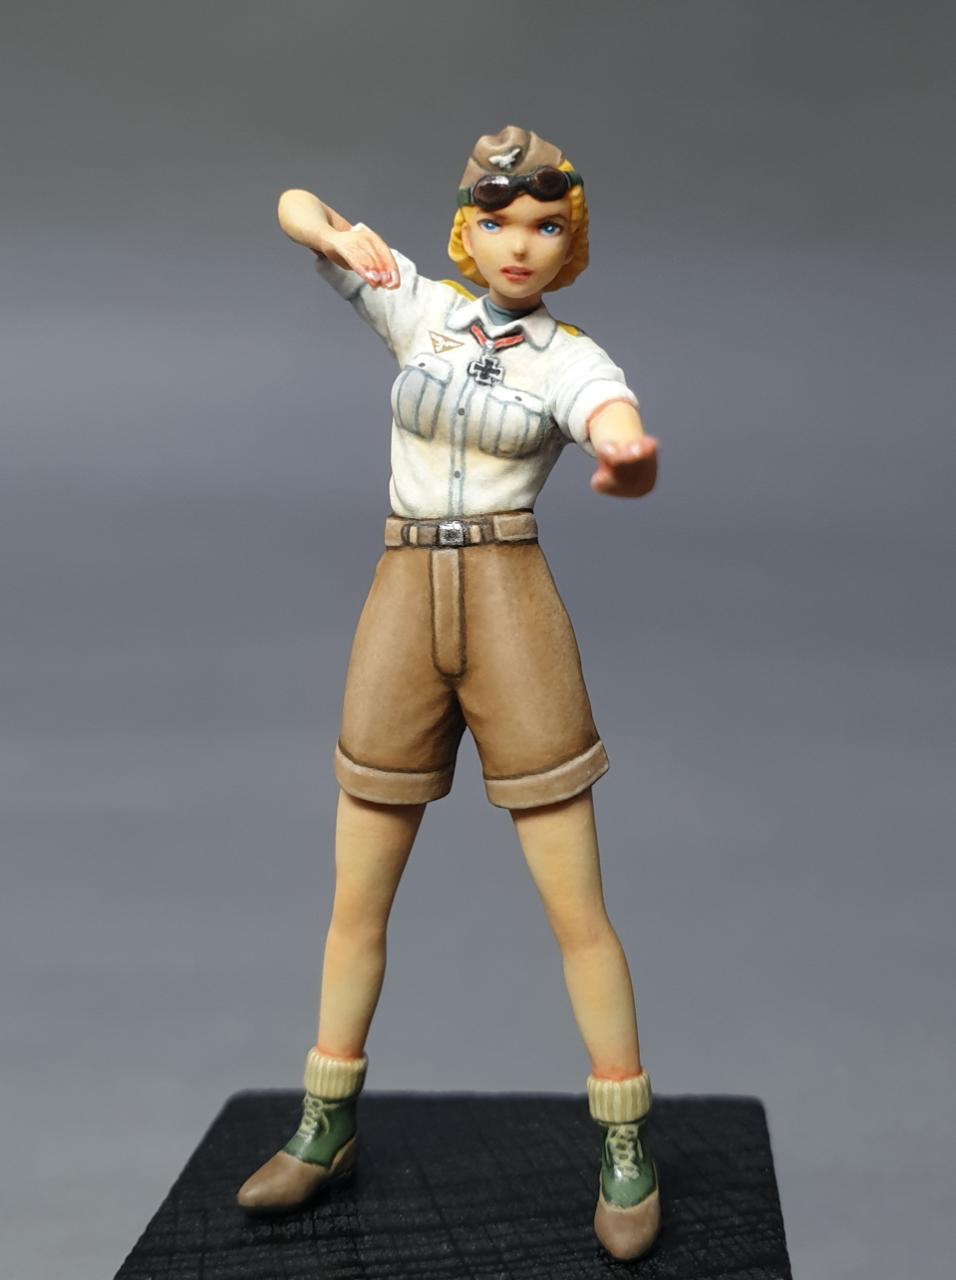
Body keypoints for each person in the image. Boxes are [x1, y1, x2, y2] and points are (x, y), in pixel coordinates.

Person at [236, 126, 661, 1261]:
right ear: (466, 228)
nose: (519, 245)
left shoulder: (569, 357)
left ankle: (625, 1135)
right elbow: (293, 201)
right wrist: (337, 237)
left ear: (568, 242)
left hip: (511, 603)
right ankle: (325, 1120)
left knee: (575, 900)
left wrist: (626, 455)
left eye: (545, 226)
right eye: (497, 220)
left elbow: (611, 419)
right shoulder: (417, 310)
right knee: (357, 890)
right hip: (402, 600)